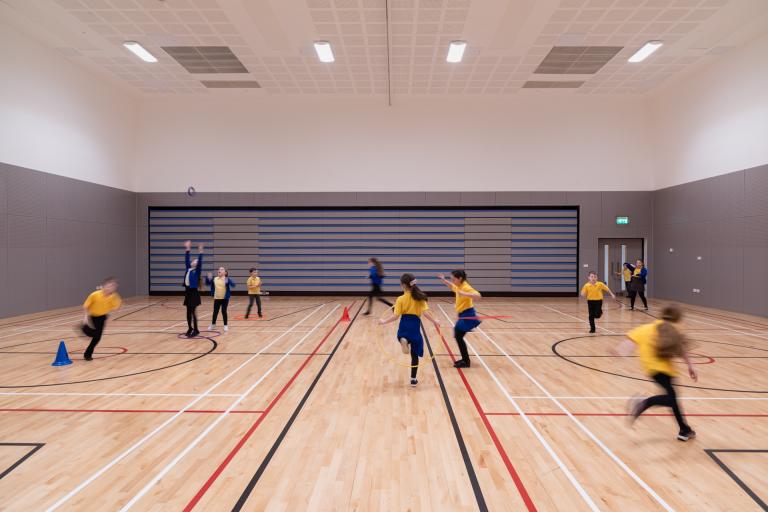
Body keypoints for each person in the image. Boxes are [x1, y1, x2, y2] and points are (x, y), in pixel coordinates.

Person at [614, 305, 697, 441]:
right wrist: (690, 366)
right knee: (672, 398)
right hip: (664, 369)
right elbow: (681, 349)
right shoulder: (674, 329)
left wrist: (619, 352)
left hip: (650, 369)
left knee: (673, 398)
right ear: (676, 318)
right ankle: (643, 403)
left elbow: (629, 343)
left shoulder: (645, 328)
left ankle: (684, 429)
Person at [378, 274, 439, 386]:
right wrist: (435, 322)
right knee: (414, 355)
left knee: (401, 336)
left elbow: (395, 316)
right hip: (415, 326)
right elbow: (425, 313)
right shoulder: (420, 298)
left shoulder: (400, 299)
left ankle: (403, 340)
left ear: (404, 286)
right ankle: (413, 379)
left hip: (404, 324)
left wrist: (383, 322)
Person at [437, 270, 482, 368]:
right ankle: (465, 360)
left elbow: (478, 296)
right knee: (458, 336)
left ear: (460, 278)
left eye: (453, 279)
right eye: (451, 279)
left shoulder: (465, 287)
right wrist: (444, 280)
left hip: (468, 314)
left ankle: (466, 361)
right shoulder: (458, 285)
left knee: (458, 336)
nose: (452, 281)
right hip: (462, 314)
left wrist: (465, 293)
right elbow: (452, 287)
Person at [79, 277, 121, 361]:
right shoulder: (94, 295)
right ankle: (84, 328)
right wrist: (85, 318)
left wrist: (109, 317)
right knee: (96, 336)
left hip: (103, 317)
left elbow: (115, 307)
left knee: (97, 337)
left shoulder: (114, 297)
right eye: (110, 286)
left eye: (113, 286)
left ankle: (87, 354)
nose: (111, 288)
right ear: (104, 286)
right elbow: (86, 306)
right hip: (93, 316)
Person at [183, 240, 205, 338]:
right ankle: (190, 328)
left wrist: (200, 252)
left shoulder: (197, 271)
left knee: (193, 312)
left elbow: (200, 262)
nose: (194, 261)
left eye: (196, 261)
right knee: (188, 312)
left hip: (194, 293)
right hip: (187, 292)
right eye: (194, 260)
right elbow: (186, 260)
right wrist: (187, 249)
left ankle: (196, 329)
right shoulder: (188, 269)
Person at [206, 267, 235, 332]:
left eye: (222, 269)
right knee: (215, 312)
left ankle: (225, 325)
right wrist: (208, 278)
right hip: (217, 298)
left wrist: (228, 281)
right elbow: (207, 283)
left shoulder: (226, 279)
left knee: (223, 311)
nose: (219, 270)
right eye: (219, 269)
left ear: (225, 272)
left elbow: (233, 285)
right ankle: (213, 325)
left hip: (225, 299)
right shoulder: (215, 279)